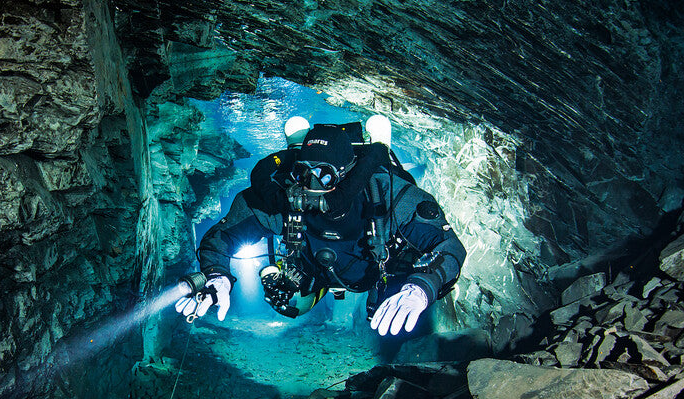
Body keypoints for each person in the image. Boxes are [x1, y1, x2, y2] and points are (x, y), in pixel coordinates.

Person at [175, 116, 466, 336]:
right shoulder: (284, 196)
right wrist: (218, 275)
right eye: (304, 174)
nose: (311, 186)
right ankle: (310, 292)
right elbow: (223, 236)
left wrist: (421, 287)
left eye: (324, 176)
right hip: (316, 272)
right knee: (286, 305)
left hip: (378, 271)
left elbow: (448, 246)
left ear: (348, 174)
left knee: (389, 312)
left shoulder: (389, 194)